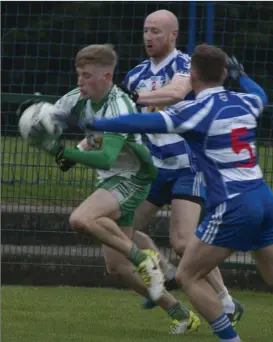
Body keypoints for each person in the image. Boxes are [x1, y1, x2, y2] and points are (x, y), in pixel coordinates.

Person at [84, 43, 273, 342]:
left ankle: (231, 339)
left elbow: (142, 120)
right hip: (263, 198)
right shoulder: (246, 102)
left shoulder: (195, 111)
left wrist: (96, 123)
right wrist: (243, 77)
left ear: (193, 74)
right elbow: (262, 95)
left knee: (188, 276)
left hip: (233, 203)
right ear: (225, 73)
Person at [16, 44, 201, 334]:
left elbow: (106, 157)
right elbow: (54, 122)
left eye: (86, 76)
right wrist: (38, 123)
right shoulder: (77, 97)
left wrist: (66, 153)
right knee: (116, 267)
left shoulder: (120, 105)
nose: (80, 81)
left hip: (134, 177)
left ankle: (145, 258)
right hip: (111, 178)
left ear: (105, 75)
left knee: (82, 219)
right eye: (78, 75)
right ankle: (181, 314)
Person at [115, 9, 244, 328]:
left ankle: (226, 300)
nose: (148, 37)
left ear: (173, 35)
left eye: (156, 31)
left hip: (188, 165)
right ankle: (165, 273)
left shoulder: (186, 65)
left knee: (184, 242)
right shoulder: (135, 74)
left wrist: (134, 99)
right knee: (124, 231)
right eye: (145, 30)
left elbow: (176, 94)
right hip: (152, 168)